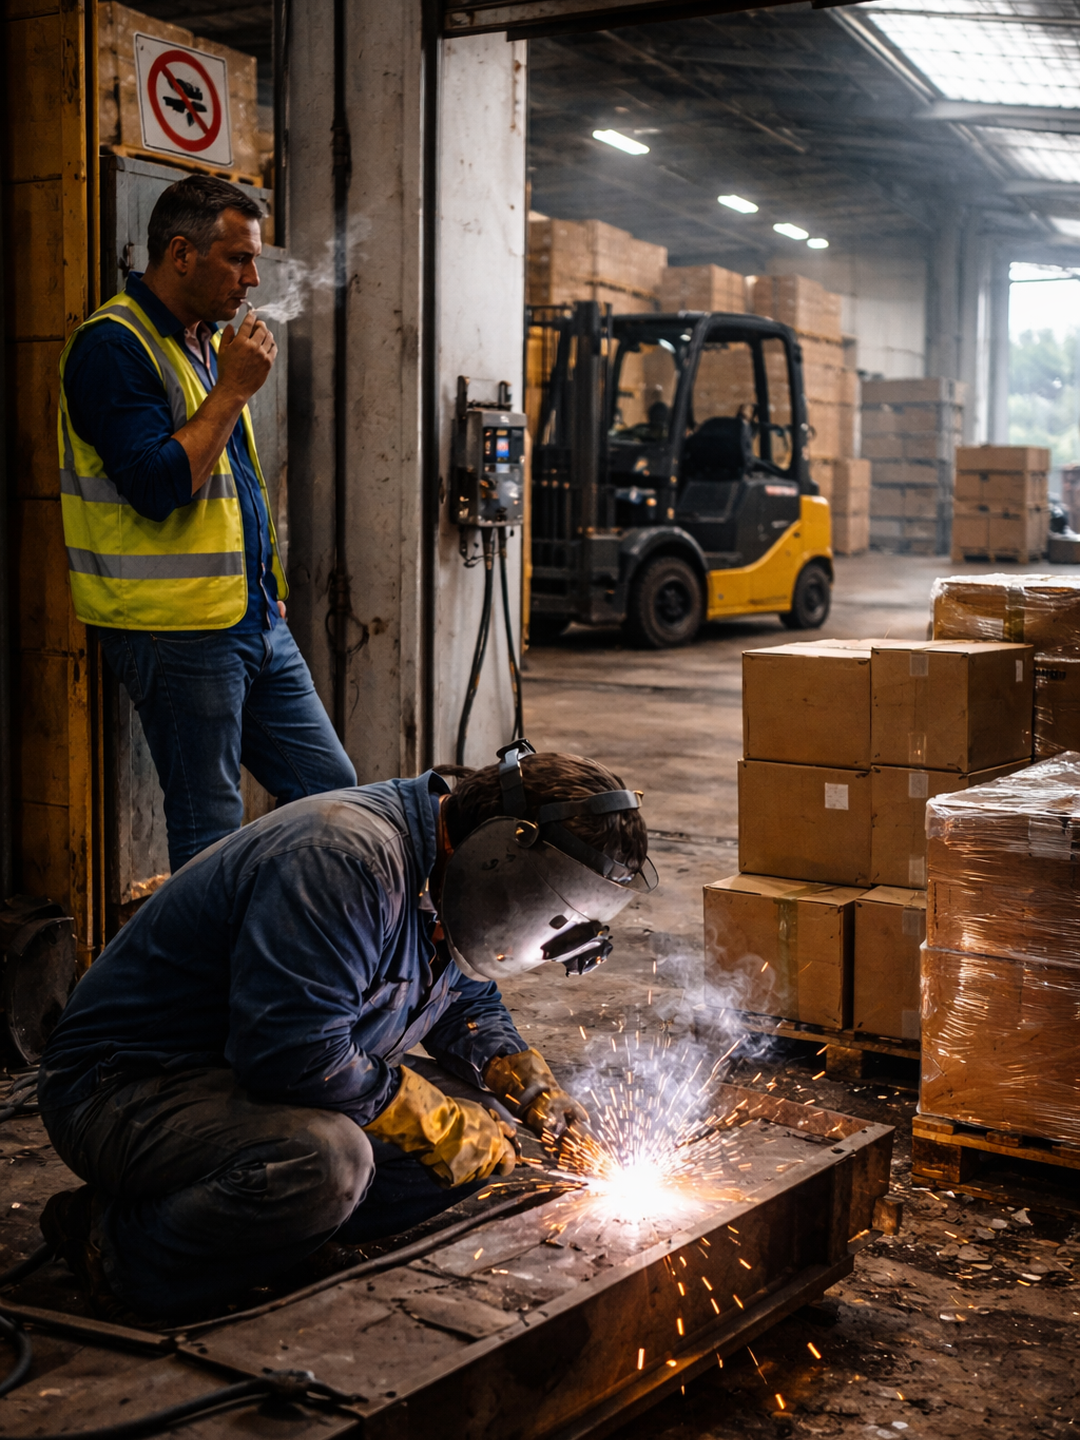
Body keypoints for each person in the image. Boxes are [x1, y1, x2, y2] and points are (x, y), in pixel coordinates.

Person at [36, 742, 657, 1320]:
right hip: (124, 1088)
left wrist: (524, 1083)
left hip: (246, 1081)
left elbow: (465, 996)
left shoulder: (446, 869)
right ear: (504, 854)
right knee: (328, 1161)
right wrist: (435, 1120)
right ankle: (116, 1250)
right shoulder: (342, 860)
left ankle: (264, 1234)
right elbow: (294, 1054)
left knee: (487, 1141)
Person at [59, 173, 354, 873]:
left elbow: (238, 484)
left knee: (333, 795)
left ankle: (296, 947)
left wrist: (266, 587)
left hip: (251, 620)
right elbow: (158, 488)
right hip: (176, 630)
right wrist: (231, 391)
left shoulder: (205, 342)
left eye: (254, 261)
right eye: (238, 258)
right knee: (211, 832)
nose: (253, 277)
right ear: (182, 254)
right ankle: (207, 983)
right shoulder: (113, 346)